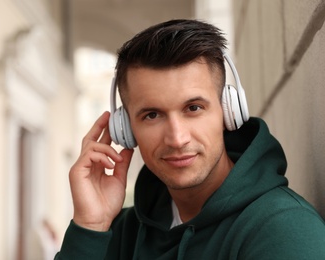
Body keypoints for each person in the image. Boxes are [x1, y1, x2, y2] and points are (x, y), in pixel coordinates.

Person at [55, 19, 325, 259]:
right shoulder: (120, 233)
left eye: (193, 108)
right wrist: (90, 226)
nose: (176, 138)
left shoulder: (283, 229)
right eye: (152, 115)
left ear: (228, 111)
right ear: (125, 129)